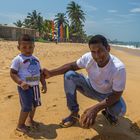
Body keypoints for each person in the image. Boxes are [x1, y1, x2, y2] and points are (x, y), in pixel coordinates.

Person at [43, 34, 126, 128]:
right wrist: (51, 73)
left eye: (100, 51)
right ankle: (74, 113)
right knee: (69, 75)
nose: (97, 56)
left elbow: (116, 95)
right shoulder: (89, 58)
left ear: (108, 48)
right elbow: (72, 66)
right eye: (93, 52)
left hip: (108, 95)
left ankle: (109, 114)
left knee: (120, 110)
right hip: (89, 87)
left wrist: (95, 109)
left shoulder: (118, 68)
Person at [10, 34, 47, 133]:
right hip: (24, 88)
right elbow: (12, 73)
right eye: (24, 47)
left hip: (35, 86)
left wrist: (43, 84)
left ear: (34, 46)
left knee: (34, 105)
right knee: (26, 106)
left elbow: (40, 73)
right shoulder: (18, 59)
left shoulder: (36, 59)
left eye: (30, 47)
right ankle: (20, 125)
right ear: (19, 48)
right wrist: (20, 82)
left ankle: (30, 120)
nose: (28, 49)